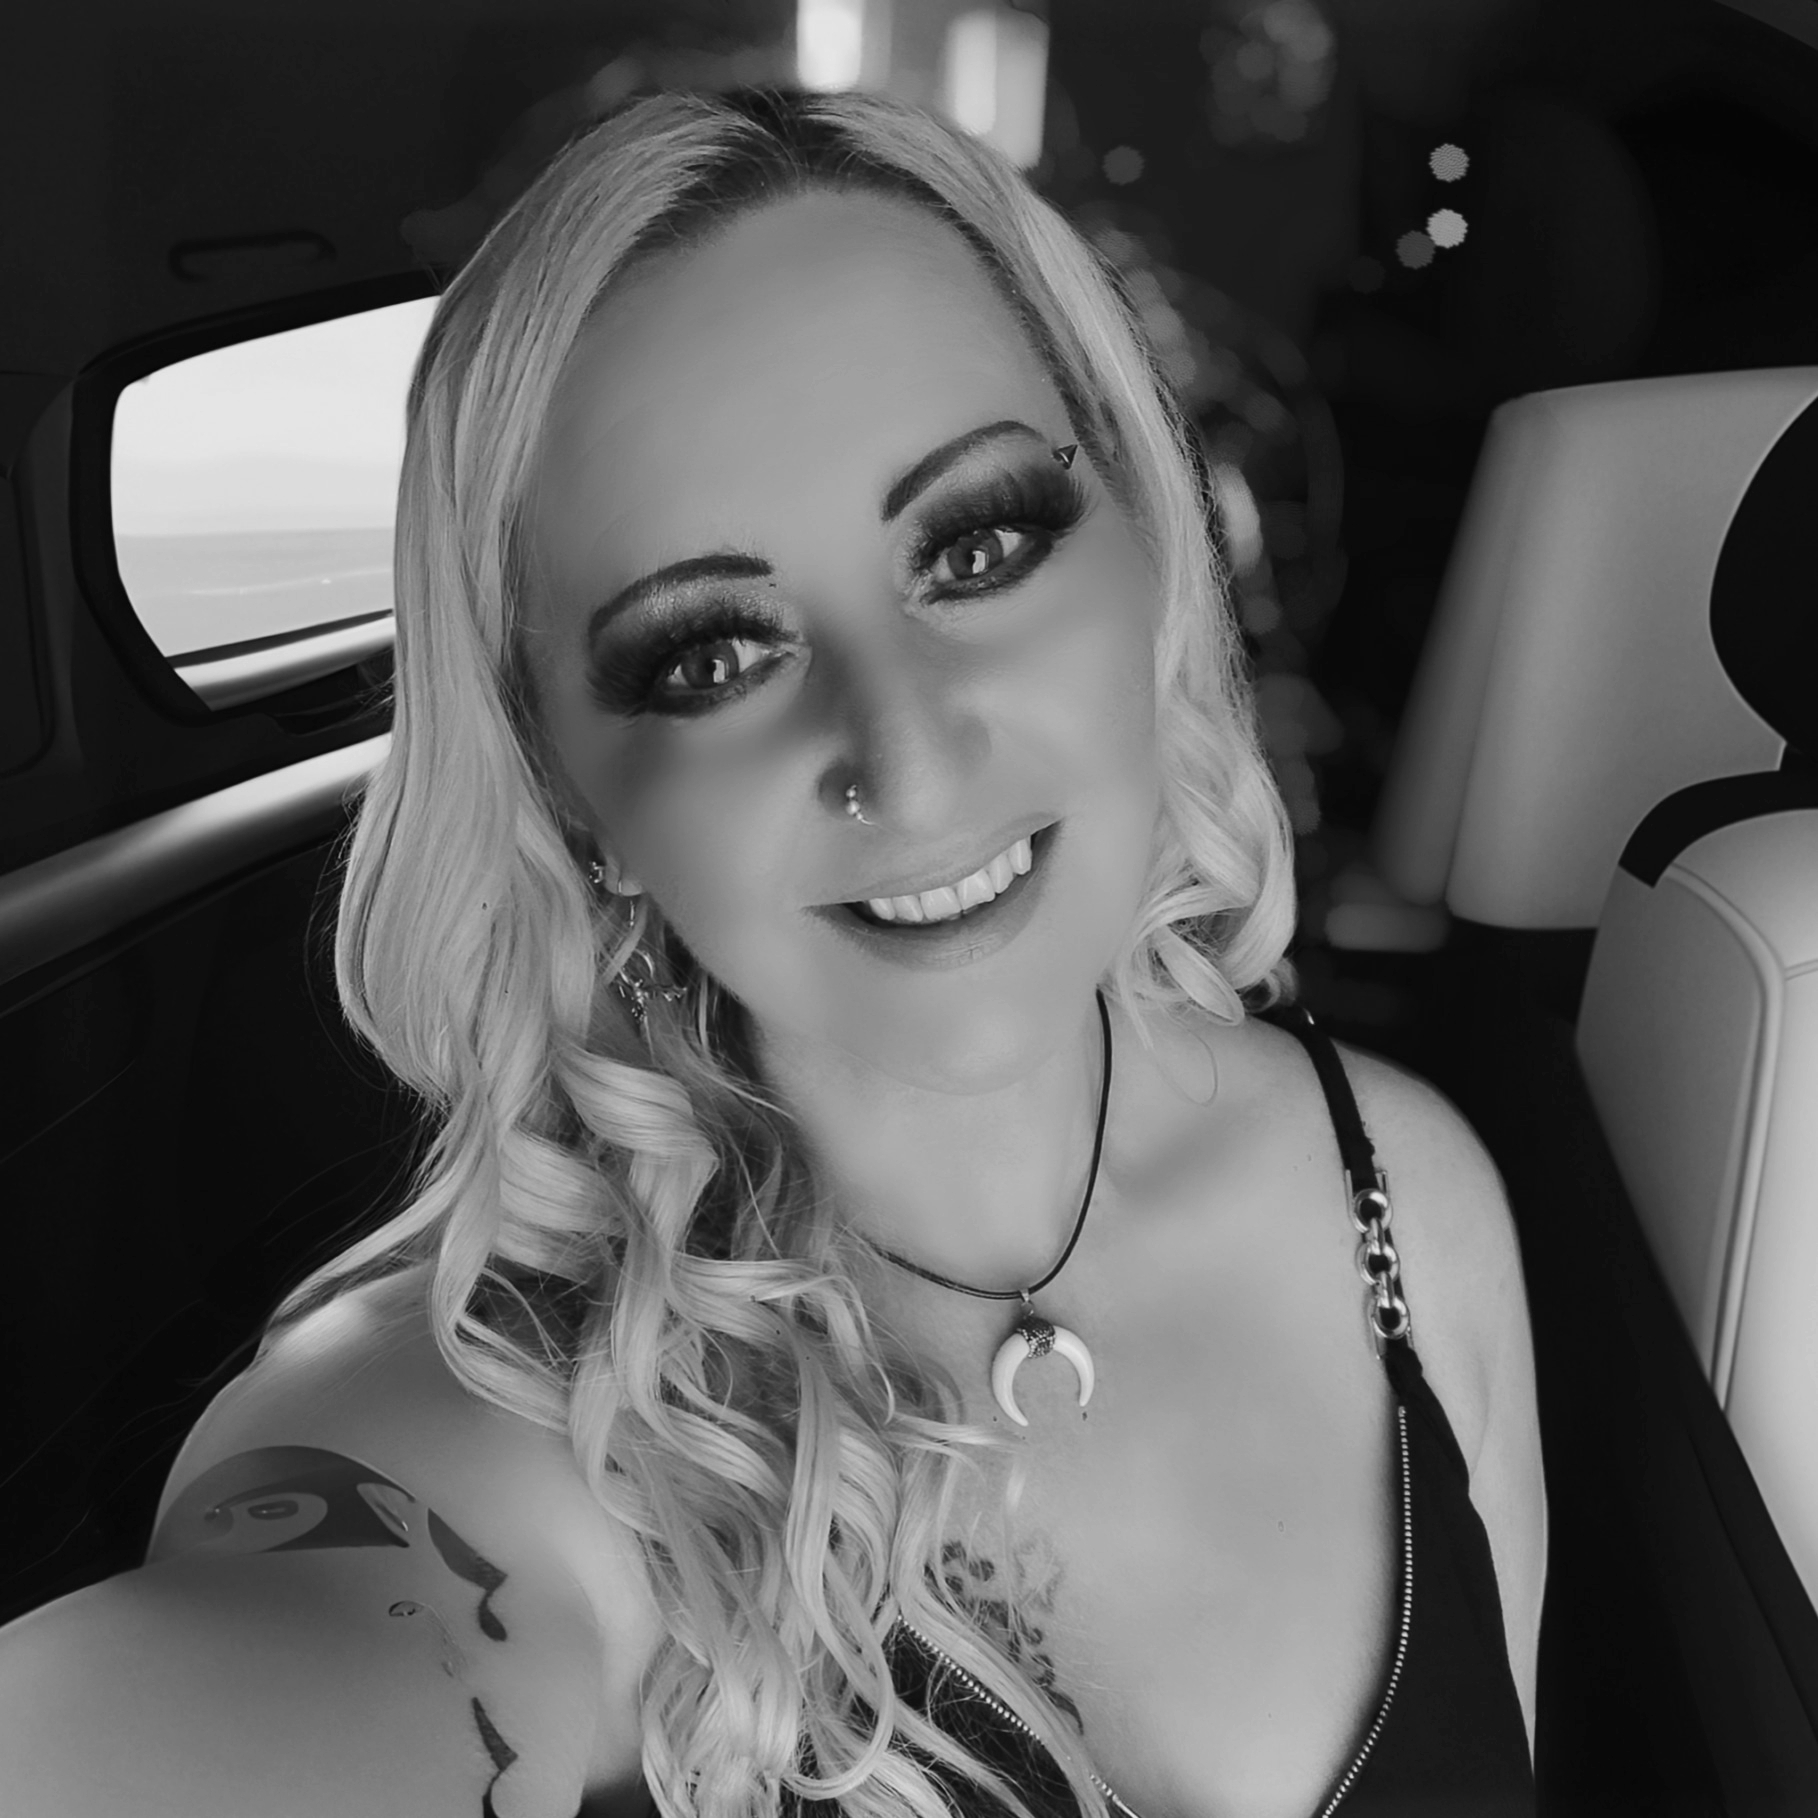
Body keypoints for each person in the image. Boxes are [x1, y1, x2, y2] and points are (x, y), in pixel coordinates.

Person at [0, 86, 1544, 1818]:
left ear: (1145, 543)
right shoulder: (482, 1428)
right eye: (711, 654)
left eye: (974, 544)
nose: (909, 758)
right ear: (568, 791)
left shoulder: (1399, 1193)